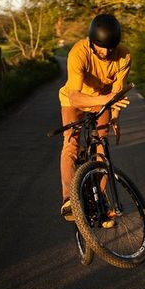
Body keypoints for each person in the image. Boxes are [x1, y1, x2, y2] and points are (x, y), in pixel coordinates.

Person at [59, 14, 131, 222]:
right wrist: (107, 99)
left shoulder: (123, 57)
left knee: (102, 147)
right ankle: (69, 200)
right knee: (71, 144)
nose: (106, 53)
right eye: (100, 48)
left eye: (111, 48)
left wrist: (115, 117)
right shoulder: (78, 53)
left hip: (103, 99)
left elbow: (117, 93)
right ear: (91, 43)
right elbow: (75, 96)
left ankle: (99, 201)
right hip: (74, 99)